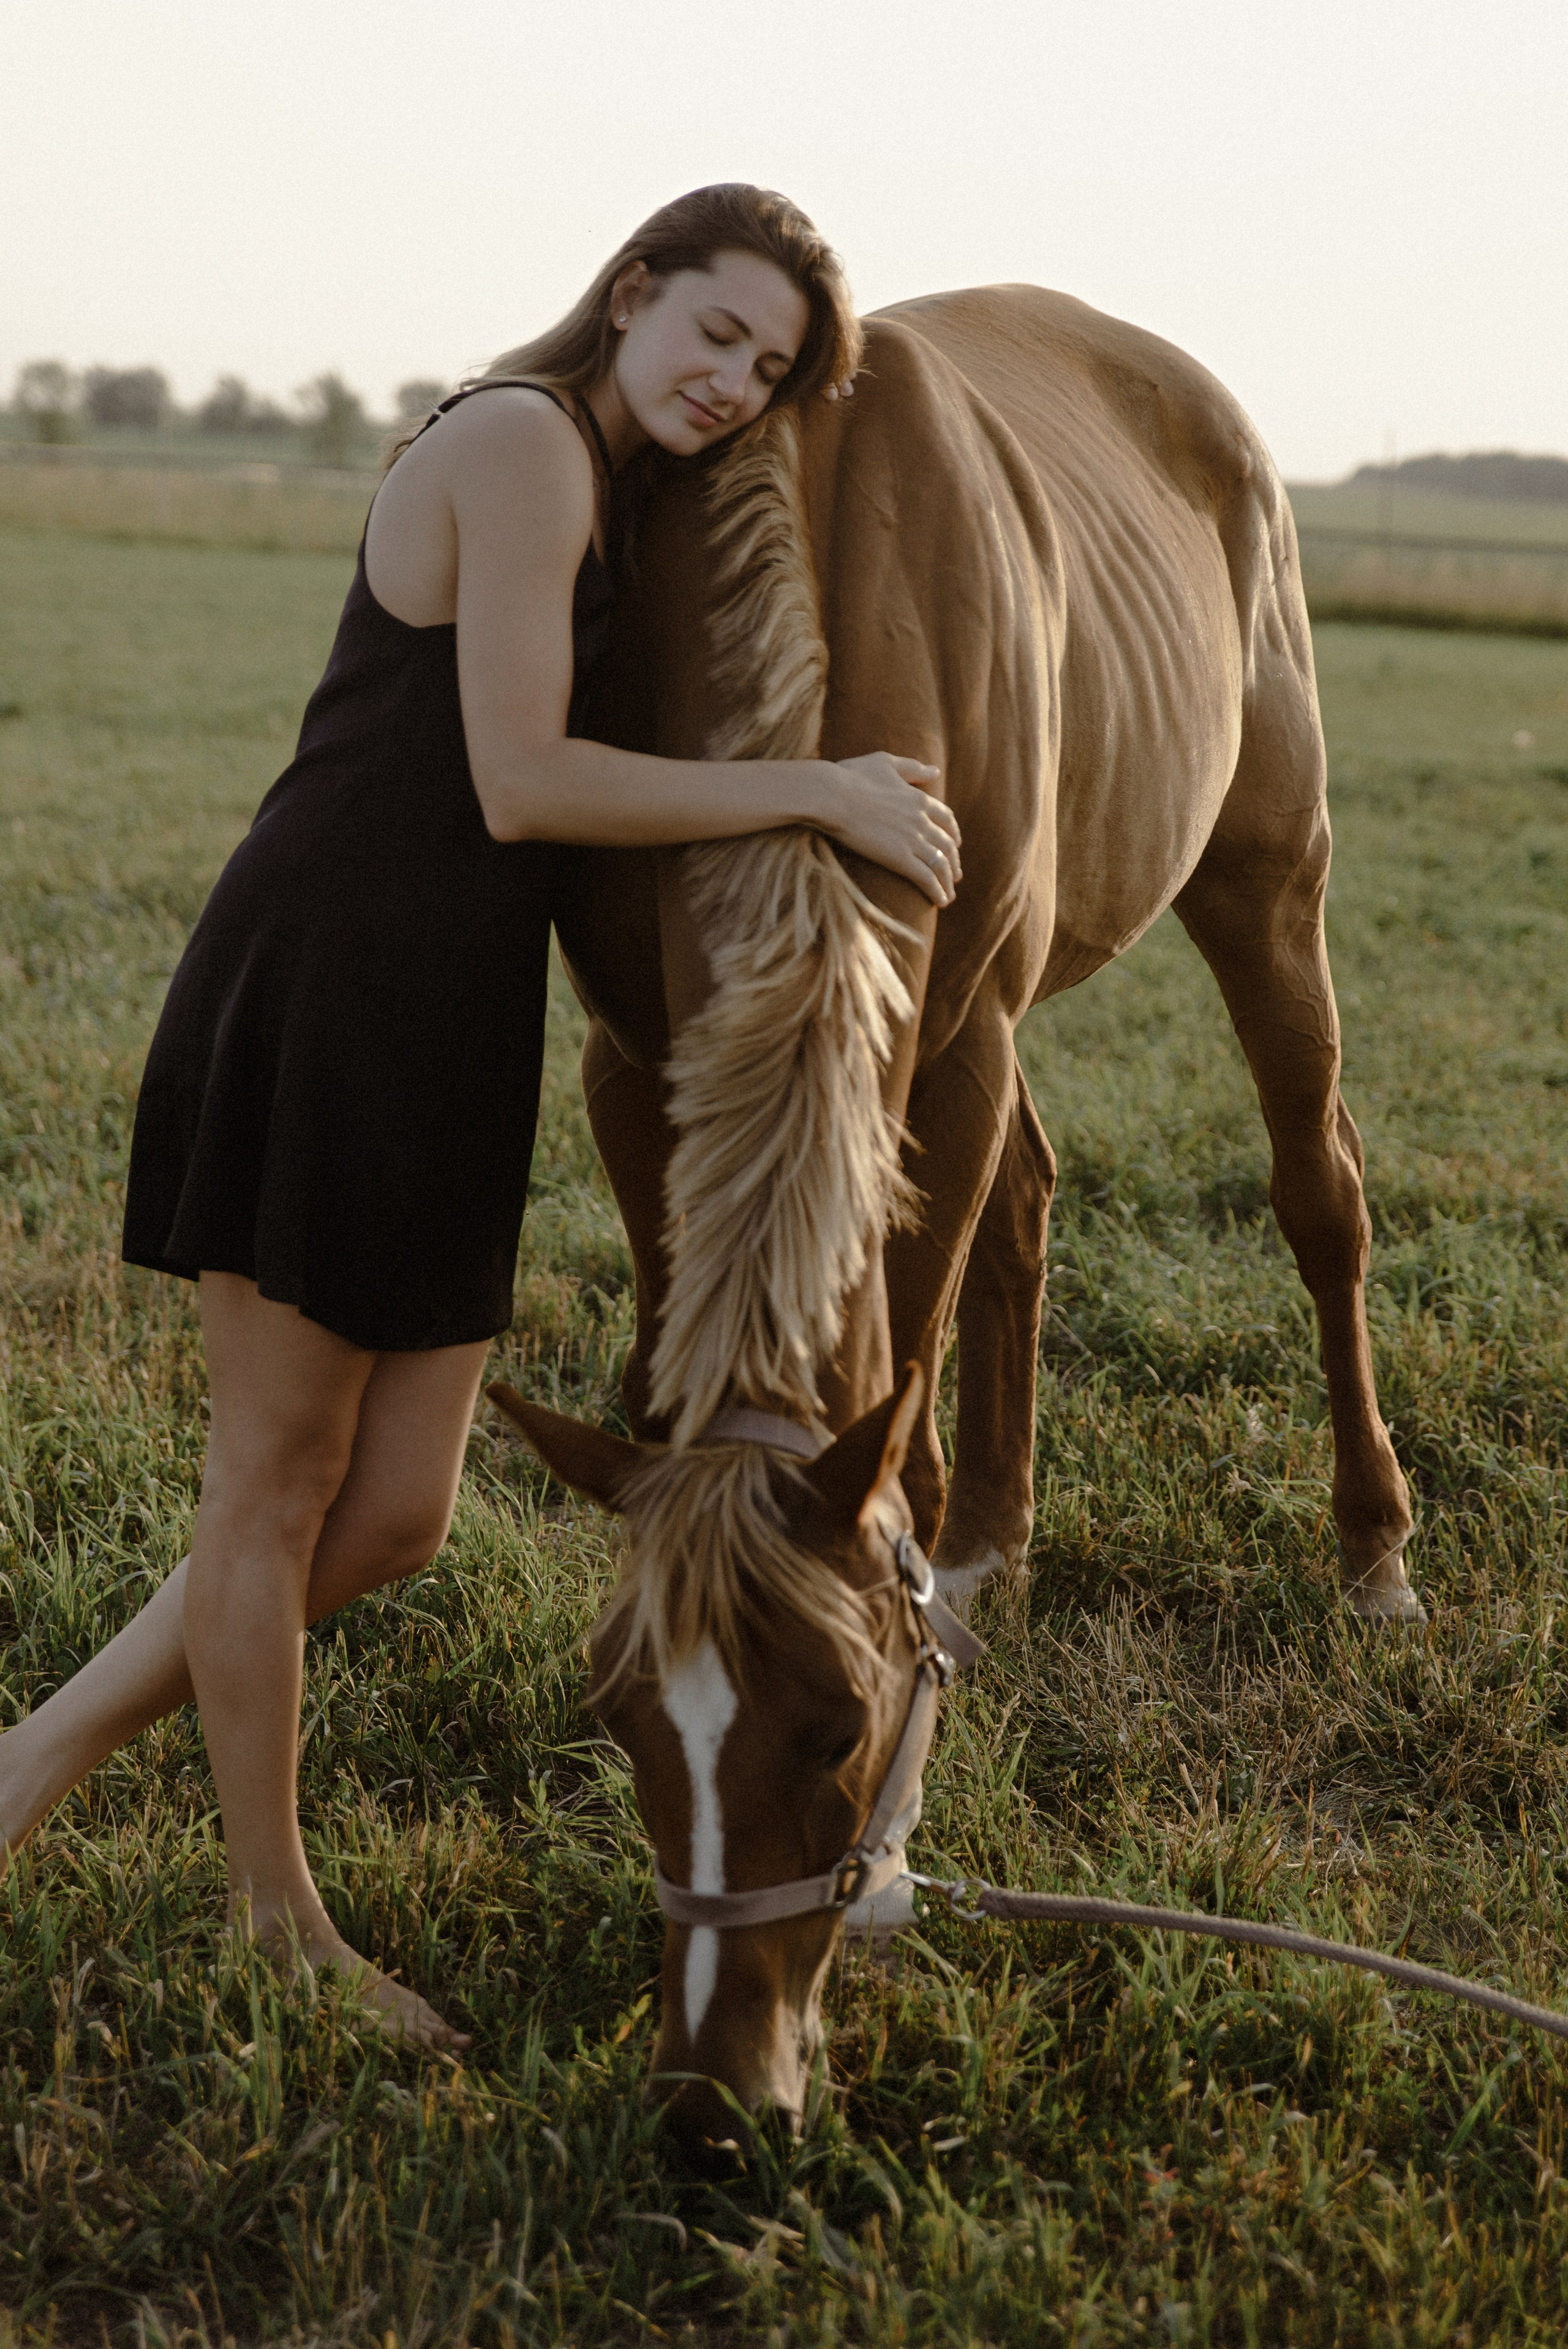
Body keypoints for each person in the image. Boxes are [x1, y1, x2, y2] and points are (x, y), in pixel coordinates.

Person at [0, 184, 962, 2046]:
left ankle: (32, 1748)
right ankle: (283, 1925)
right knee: (275, 1492)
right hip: (332, 977)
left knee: (396, 1517)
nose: (733, 381)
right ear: (629, 295)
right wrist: (819, 789)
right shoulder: (520, 443)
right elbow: (518, 780)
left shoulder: (611, 478)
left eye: (769, 367)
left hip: (452, 1022)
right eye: (714, 332)